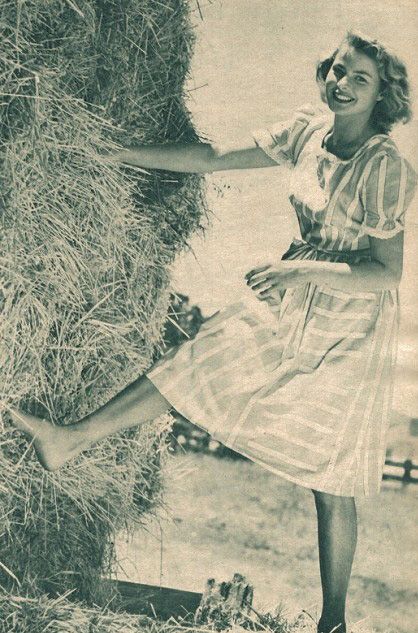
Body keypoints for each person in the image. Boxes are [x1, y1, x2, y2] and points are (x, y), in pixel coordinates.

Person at [9, 31, 417, 633]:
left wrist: (297, 269)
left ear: (383, 94)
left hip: (348, 325)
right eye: (338, 69)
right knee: (198, 361)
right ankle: (69, 439)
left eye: (361, 78)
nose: (343, 84)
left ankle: (333, 620)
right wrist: (120, 155)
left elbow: (385, 273)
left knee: (331, 479)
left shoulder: (385, 167)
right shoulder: (308, 131)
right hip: (288, 300)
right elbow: (214, 156)